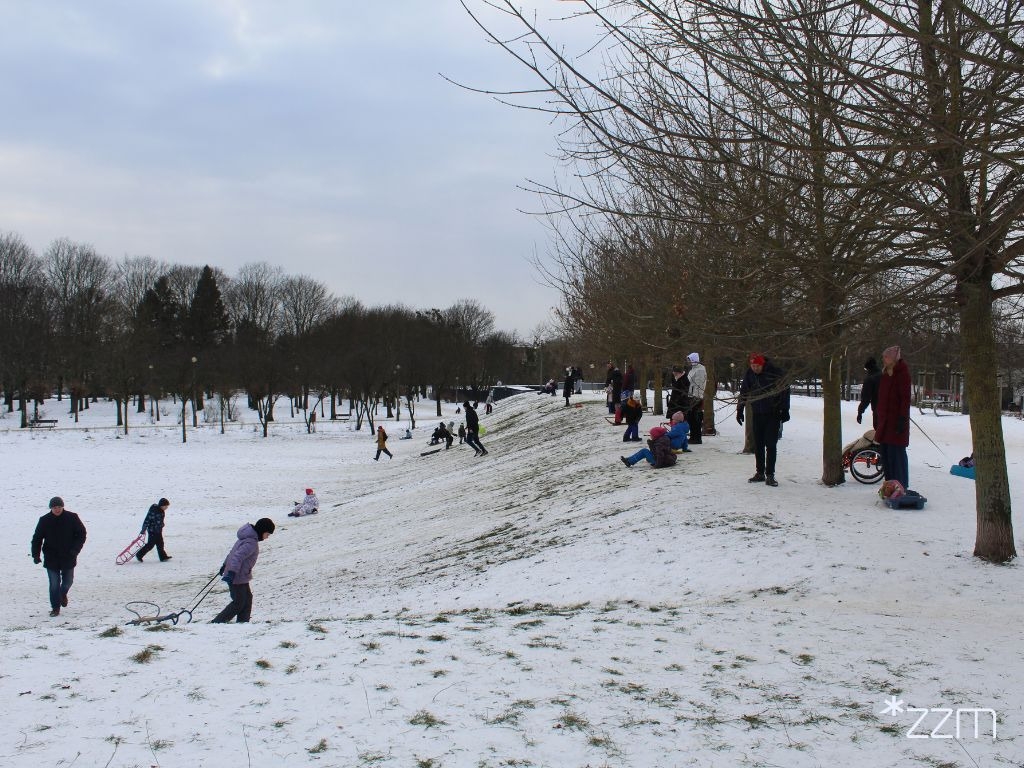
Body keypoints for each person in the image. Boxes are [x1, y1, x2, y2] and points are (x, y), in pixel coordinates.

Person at [737, 353, 791, 487]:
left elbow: (785, 390)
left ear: (762, 364)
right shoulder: (750, 374)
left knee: (771, 444)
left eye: (757, 366)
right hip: (757, 413)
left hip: (772, 413)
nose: (754, 368)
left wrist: (785, 409)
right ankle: (760, 472)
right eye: (752, 365)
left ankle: (770, 474)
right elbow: (744, 391)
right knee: (758, 445)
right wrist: (740, 409)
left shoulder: (774, 372)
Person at [31, 496, 87, 617]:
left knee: (68, 581)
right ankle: (55, 608)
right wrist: (36, 554)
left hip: (68, 555)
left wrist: (75, 549)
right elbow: (37, 538)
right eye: (54, 507)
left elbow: (82, 534)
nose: (57, 509)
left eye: (59, 507)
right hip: (51, 557)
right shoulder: (44, 520)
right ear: (51, 508)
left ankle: (62, 594)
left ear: (63, 507)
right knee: (54, 583)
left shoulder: (72, 518)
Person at [211, 517, 275, 624]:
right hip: (236, 576)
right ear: (262, 531)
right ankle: (218, 622)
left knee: (247, 599)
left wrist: (225, 565)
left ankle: (243, 623)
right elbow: (237, 557)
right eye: (267, 534)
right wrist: (231, 572)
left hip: (241, 576)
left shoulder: (246, 539)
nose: (267, 537)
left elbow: (232, 553)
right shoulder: (251, 543)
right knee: (239, 602)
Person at [875, 345, 911, 489]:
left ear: (893, 358)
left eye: (886, 357)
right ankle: (890, 486)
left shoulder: (902, 373)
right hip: (885, 422)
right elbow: (881, 398)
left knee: (897, 455)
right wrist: (878, 415)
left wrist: (902, 419)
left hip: (896, 423)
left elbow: (905, 399)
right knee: (886, 454)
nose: (883, 360)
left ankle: (901, 486)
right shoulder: (885, 374)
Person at [136, 497, 171, 562]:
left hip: (158, 530)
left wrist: (162, 524)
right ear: (162, 505)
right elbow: (147, 520)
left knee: (160, 544)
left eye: (167, 506)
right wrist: (143, 529)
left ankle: (163, 557)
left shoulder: (162, 511)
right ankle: (139, 555)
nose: (167, 507)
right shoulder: (153, 511)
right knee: (150, 545)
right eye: (166, 506)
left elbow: (160, 520)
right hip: (152, 531)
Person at [686, 352, 707, 444]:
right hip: (691, 396)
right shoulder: (693, 369)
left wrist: (696, 397)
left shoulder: (700, 370)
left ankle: (697, 437)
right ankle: (693, 436)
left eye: (690, 360)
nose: (688, 362)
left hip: (696, 397)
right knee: (691, 418)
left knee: (696, 418)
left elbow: (699, 384)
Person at [857, 357, 882, 428]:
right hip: (890, 411)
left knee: (879, 434)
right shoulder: (884, 375)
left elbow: (865, 399)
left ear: (868, 368)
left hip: (878, 410)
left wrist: (860, 412)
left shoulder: (870, 379)